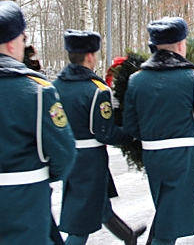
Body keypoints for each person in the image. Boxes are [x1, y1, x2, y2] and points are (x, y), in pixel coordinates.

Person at [123, 17, 194, 245]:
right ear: (181, 44)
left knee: (166, 208)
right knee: (171, 219)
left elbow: (130, 124)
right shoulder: (193, 78)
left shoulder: (136, 80)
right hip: (180, 154)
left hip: (151, 154)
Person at [53, 30, 146, 245]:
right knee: (81, 220)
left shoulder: (55, 87)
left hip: (68, 154)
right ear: (90, 56)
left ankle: (128, 236)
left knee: (98, 204)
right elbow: (104, 132)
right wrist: (131, 135)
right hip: (89, 159)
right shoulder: (97, 90)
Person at [0, 1, 76, 244]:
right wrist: (44, 175)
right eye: (23, 39)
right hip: (23, 197)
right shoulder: (36, 90)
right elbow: (63, 152)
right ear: (12, 43)